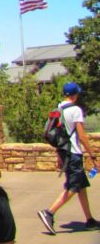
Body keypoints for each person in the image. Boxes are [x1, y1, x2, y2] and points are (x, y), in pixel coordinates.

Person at [37, 82, 99, 234]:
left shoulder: (59, 109)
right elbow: (82, 136)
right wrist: (92, 155)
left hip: (65, 152)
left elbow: (59, 135)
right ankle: (49, 212)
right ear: (74, 95)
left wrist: (60, 155)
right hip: (74, 153)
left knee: (81, 185)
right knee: (73, 186)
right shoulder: (75, 110)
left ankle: (89, 220)